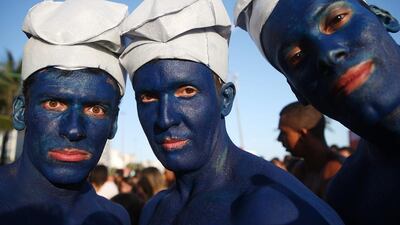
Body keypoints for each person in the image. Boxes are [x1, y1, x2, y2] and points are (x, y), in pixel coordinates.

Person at [120, 0, 344, 224]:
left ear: (225, 99)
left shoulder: (271, 209)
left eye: (187, 91)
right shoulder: (155, 208)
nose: (165, 118)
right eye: (148, 97)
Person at [234, 0, 400, 224]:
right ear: (298, 92)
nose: (327, 54)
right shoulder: (348, 196)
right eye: (297, 57)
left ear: (383, 17)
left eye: (337, 19)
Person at [0, 1, 130, 224]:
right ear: (21, 112)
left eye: (95, 109)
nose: (73, 129)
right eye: (54, 104)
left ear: (113, 123)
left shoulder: (114, 219)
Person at [277, 102, 343, 198]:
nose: (279, 138)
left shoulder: (335, 170)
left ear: (303, 135)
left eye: (284, 133)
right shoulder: (300, 169)